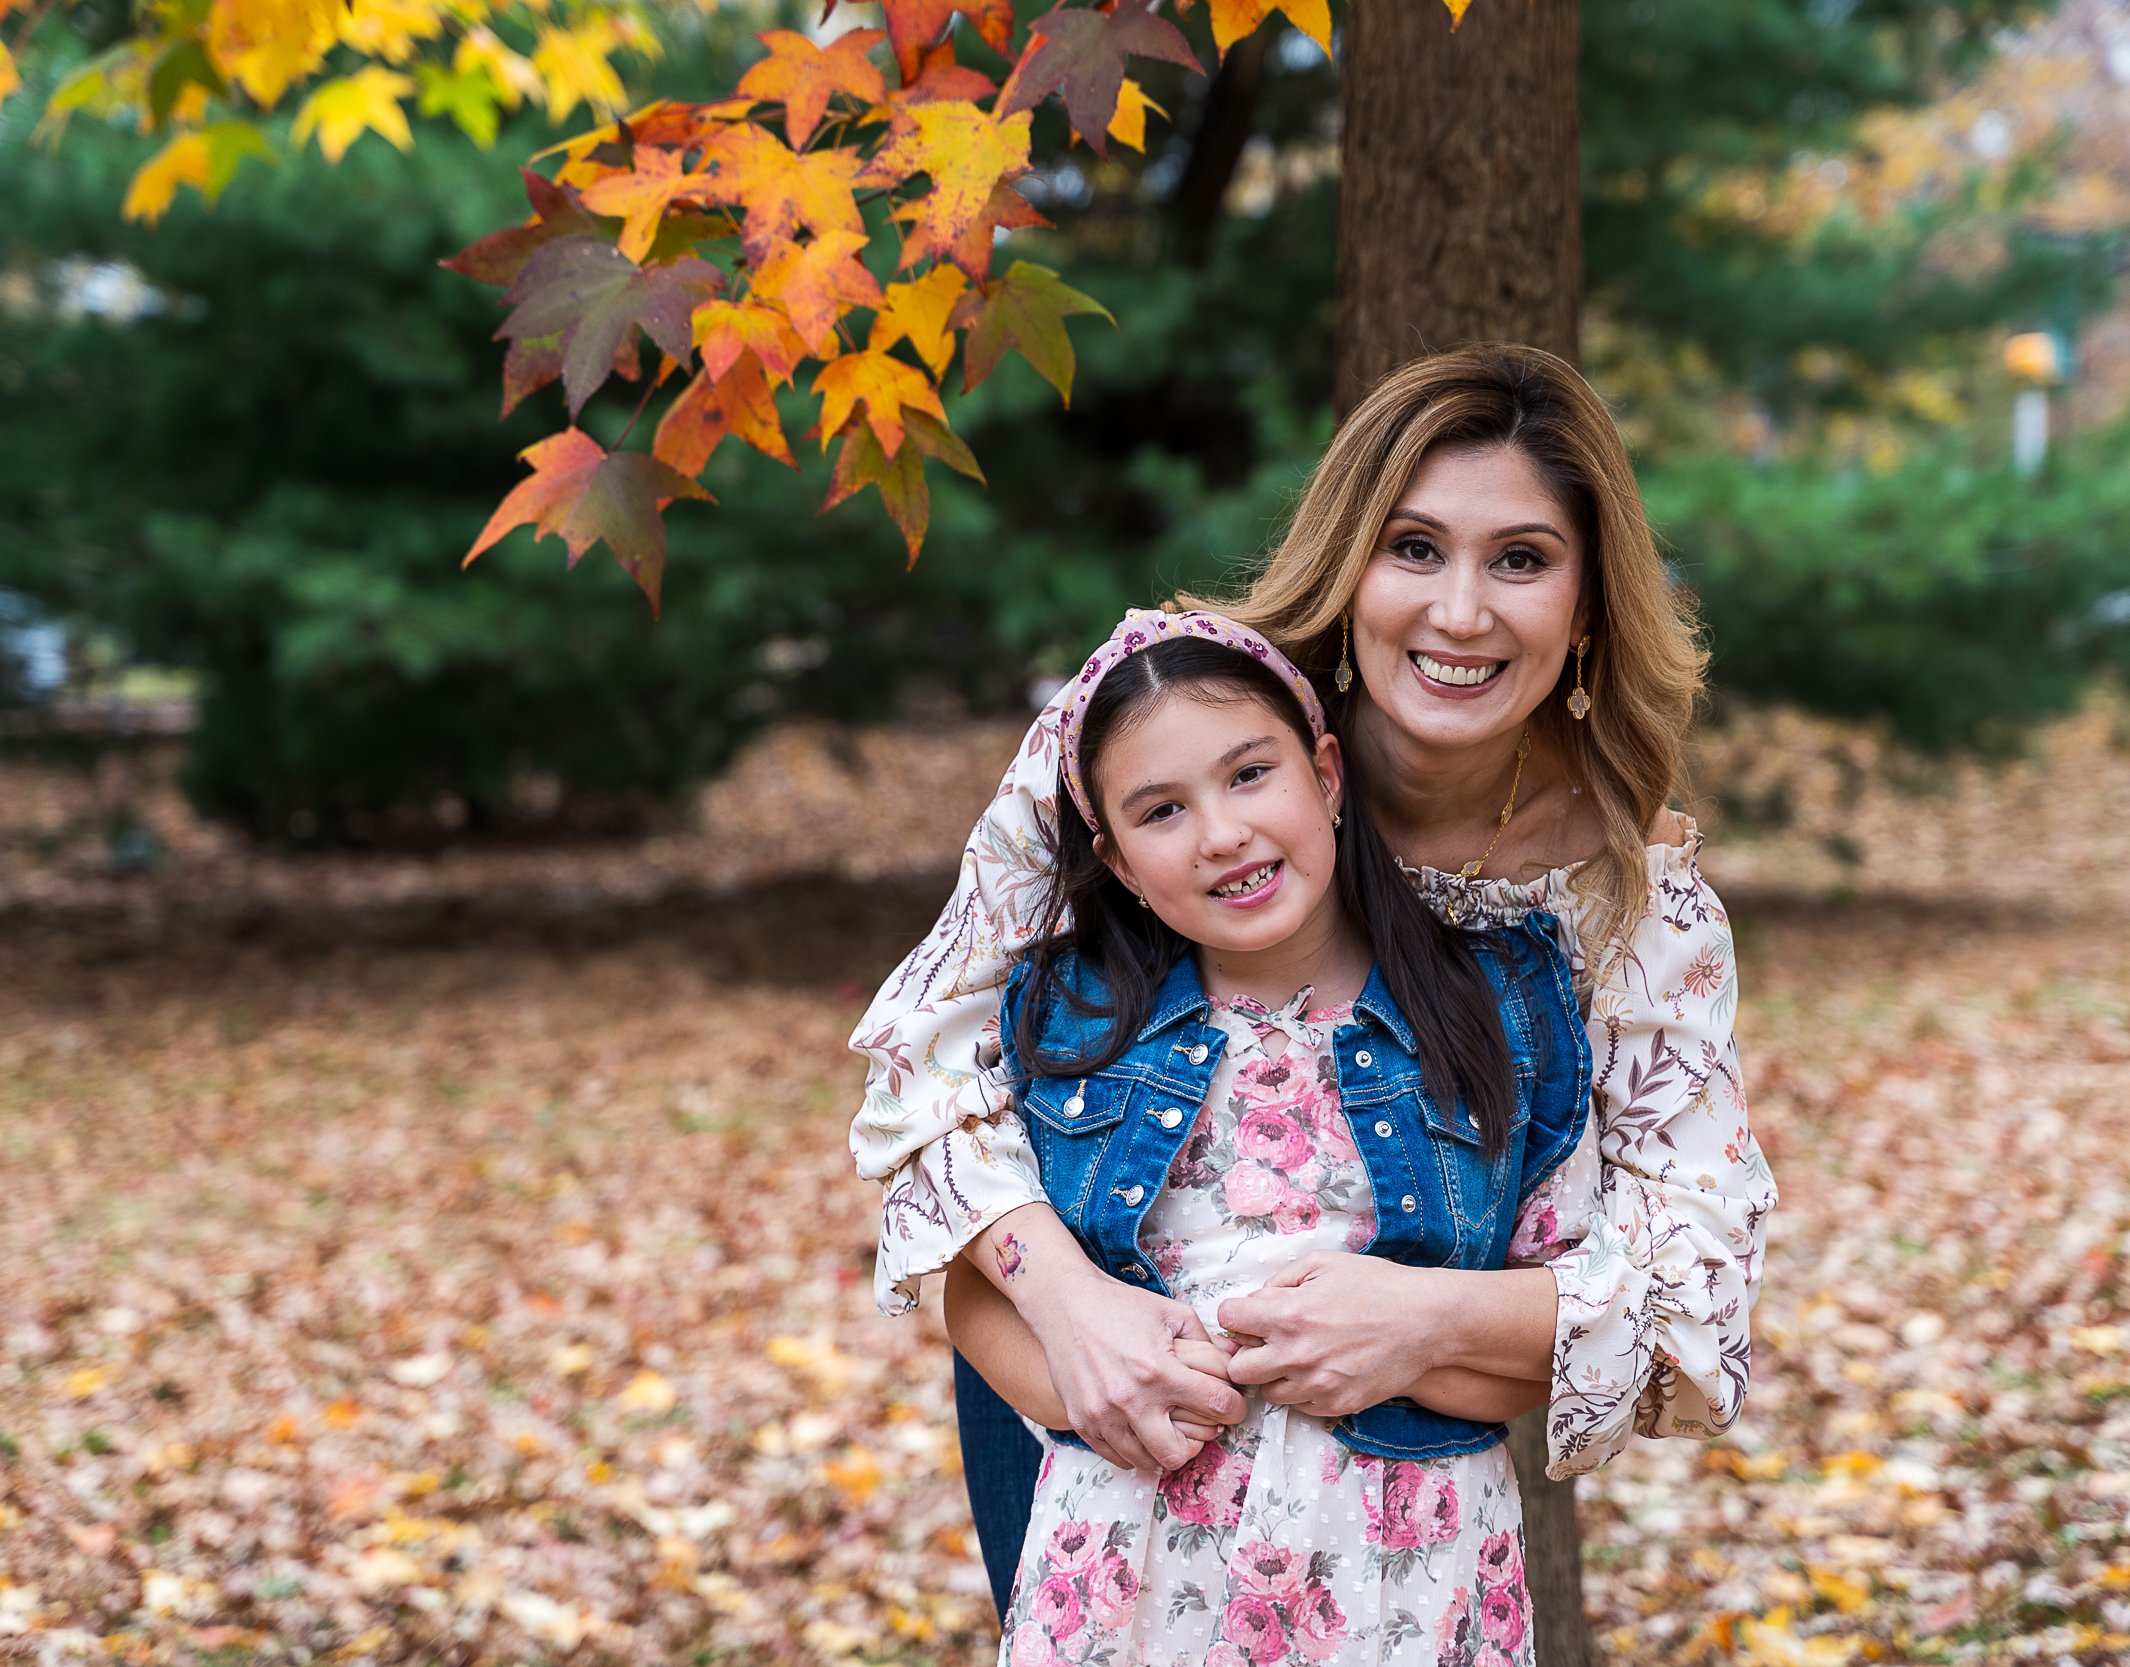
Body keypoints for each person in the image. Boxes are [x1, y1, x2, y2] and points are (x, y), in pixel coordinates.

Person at [848, 344, 1778, 1634]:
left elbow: (1699, 1296)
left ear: (1587, 601)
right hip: (1090, 1415)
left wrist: (1420, 1318)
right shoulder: (1174, 727)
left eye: (1520, 558)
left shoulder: (1628, 905)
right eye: (1413, 547)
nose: (1460, 611)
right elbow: (931, 1066)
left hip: (1393, 1515)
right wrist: (1073, 1321)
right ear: (1350, 558)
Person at [946, 607, 1591, 1663]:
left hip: (1404, 1583)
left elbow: (1550, 1346)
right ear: (1112, 857)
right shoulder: (1065, 1021)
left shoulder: (1496, 1010)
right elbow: (964, 1282)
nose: (1222, 833)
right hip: (1129, 1578)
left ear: (1327, 775)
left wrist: (1395, 1342)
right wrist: (1091, 1378)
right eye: (1162, 809)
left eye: (1251, 774)